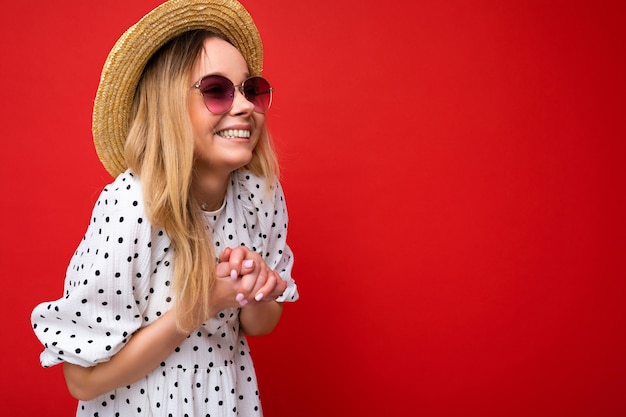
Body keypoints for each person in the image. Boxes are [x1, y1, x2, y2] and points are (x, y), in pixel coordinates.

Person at [30, 0, 298, 415]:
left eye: (251, 89)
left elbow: (260, 325)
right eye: (215, 90)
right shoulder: (133, 204)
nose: (244, 106)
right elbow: (80, 381)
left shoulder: (258, 195)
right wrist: (200, 306)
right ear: (169, 106)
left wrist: (254, 288)